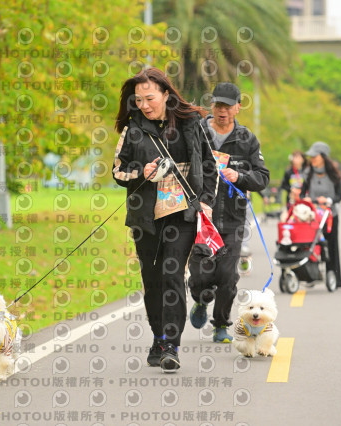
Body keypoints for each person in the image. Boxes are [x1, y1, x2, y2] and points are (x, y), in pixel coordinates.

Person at [112, 67, 217, 373]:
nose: (143, 104)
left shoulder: (192, 123)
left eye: (149, 98)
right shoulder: (133, 129)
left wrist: (206, 202)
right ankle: (158, 338)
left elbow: (209, 166)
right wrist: (140, 172)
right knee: (153, 280)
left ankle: (171, 345)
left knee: (172, 275)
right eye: (138, 99)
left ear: (166, 94)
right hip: (145, 216)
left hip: (183, 213)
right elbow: (118, 170)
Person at [187, 82, 270, 343]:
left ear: (238, 107)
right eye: (218, 105)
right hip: (200, 218)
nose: (222, 110)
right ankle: (201, 300)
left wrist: (240, 176)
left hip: (233, 220)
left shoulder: (247, 139)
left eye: (228, 106)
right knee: (200, 275)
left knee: (227, 276)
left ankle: (221, 324)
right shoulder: (197, 131)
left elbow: (262, 177)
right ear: (212, 105)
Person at [296, 141, 341, 288]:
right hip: (313, 216)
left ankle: (334, 276)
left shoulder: (334, 174)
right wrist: (305, 199)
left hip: (329, 215)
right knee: (309, 244)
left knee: (331, 246)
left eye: (315, 156)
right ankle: (310, 275)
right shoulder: (308, 173)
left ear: (323, 157)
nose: (312, 159)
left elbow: (339, 195)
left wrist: (328, 200)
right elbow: (302, 192)